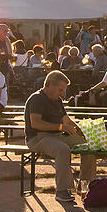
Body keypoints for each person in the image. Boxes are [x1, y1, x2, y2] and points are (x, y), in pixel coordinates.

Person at [24, 71, 96, 203]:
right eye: (60, 90)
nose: (62, 93)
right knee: (63, 150)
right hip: (38, 138)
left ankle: (86, 185)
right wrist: (61, 127)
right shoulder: (36, 99)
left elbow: (66, 120)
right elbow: (36, 123)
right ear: (50, 84)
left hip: (56, 136)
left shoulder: (57, 100)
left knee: (89, 147)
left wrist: (81, 130)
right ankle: (62, 190)